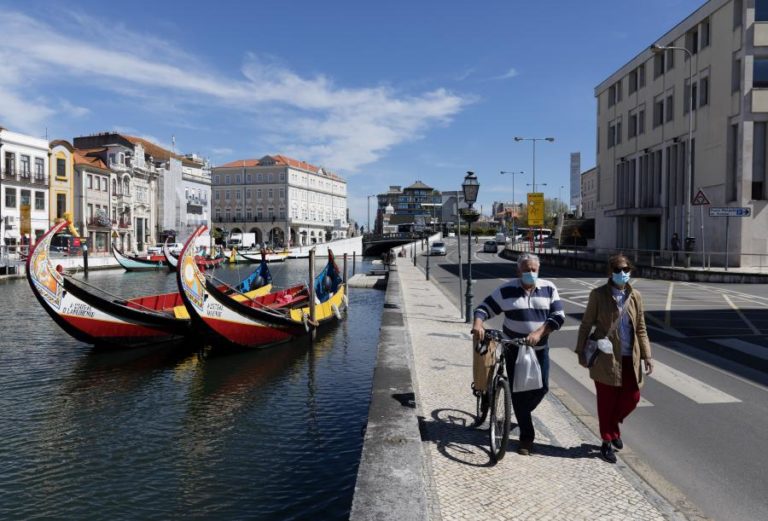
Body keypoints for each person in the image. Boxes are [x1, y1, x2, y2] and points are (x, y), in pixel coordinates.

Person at [472, 253, 565, 455]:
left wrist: (539, 332)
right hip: (513, 348)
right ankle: (526, 437)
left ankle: (521, 412)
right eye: (526, 270)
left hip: (539, 349)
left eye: (533, 269)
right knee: (518, 392)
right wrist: (478, 323)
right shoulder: (506, 290)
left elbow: (558, 316)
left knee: (543, 388)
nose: (530, 273)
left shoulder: (549, 288)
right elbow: (483, 308)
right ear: (518, 271)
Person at [575, 254, 654, 464]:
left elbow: (641, 328)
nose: (622, 273)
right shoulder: (598, 295)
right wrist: (580, 350)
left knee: (632, 397)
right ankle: (607, 440)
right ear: (610, 272)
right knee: (607, 401)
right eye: (618, 270)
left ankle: (613, 427)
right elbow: (586, 324)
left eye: (626, 269)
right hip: (606, 358)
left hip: (631, 357)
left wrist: (647, 355)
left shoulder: (635, 295)